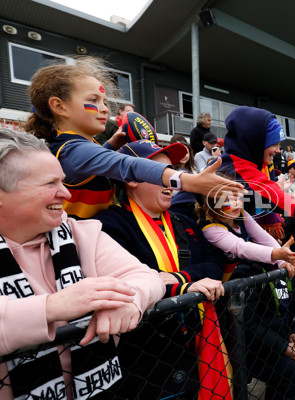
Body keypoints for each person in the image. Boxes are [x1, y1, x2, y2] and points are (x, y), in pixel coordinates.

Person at [0, 128, 164, 399]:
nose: (65, 194)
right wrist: (53, 307)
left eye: (63, 181)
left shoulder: (80, 233)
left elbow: (144, 276)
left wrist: (128, 301)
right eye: (49, 184)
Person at [23, 57, 243, 219]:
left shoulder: (78, 146)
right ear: (59, 106)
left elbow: (95, 161)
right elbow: (123, 164)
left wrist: (110, 144)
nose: (103, 109)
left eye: (105, 102)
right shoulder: (68, 148)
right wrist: (186, 180)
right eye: (93, 100)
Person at [93, 139, 230, 399]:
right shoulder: (108, 224)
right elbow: (121, 283)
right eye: (162, 174)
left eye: (174, 172)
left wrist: (181, 280)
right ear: (132, 178)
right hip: (141, 356)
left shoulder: (184, 222)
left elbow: (215, 265)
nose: (172, 181)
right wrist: (186, 286)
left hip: (191, 346)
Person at [217, 106, 295, 237]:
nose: (278, 150)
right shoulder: (233, 165)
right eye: (273, 144)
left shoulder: (261, 164)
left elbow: (264, 199)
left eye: (279, 145)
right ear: (255, 143)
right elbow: (269, 195)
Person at [229, 261, 295, 400]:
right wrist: (283, 347)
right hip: (258, 349)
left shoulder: (284, 265)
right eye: (274, 237)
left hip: (285, 337)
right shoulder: (247, 270)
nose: (281, 238)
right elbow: (248, 325)